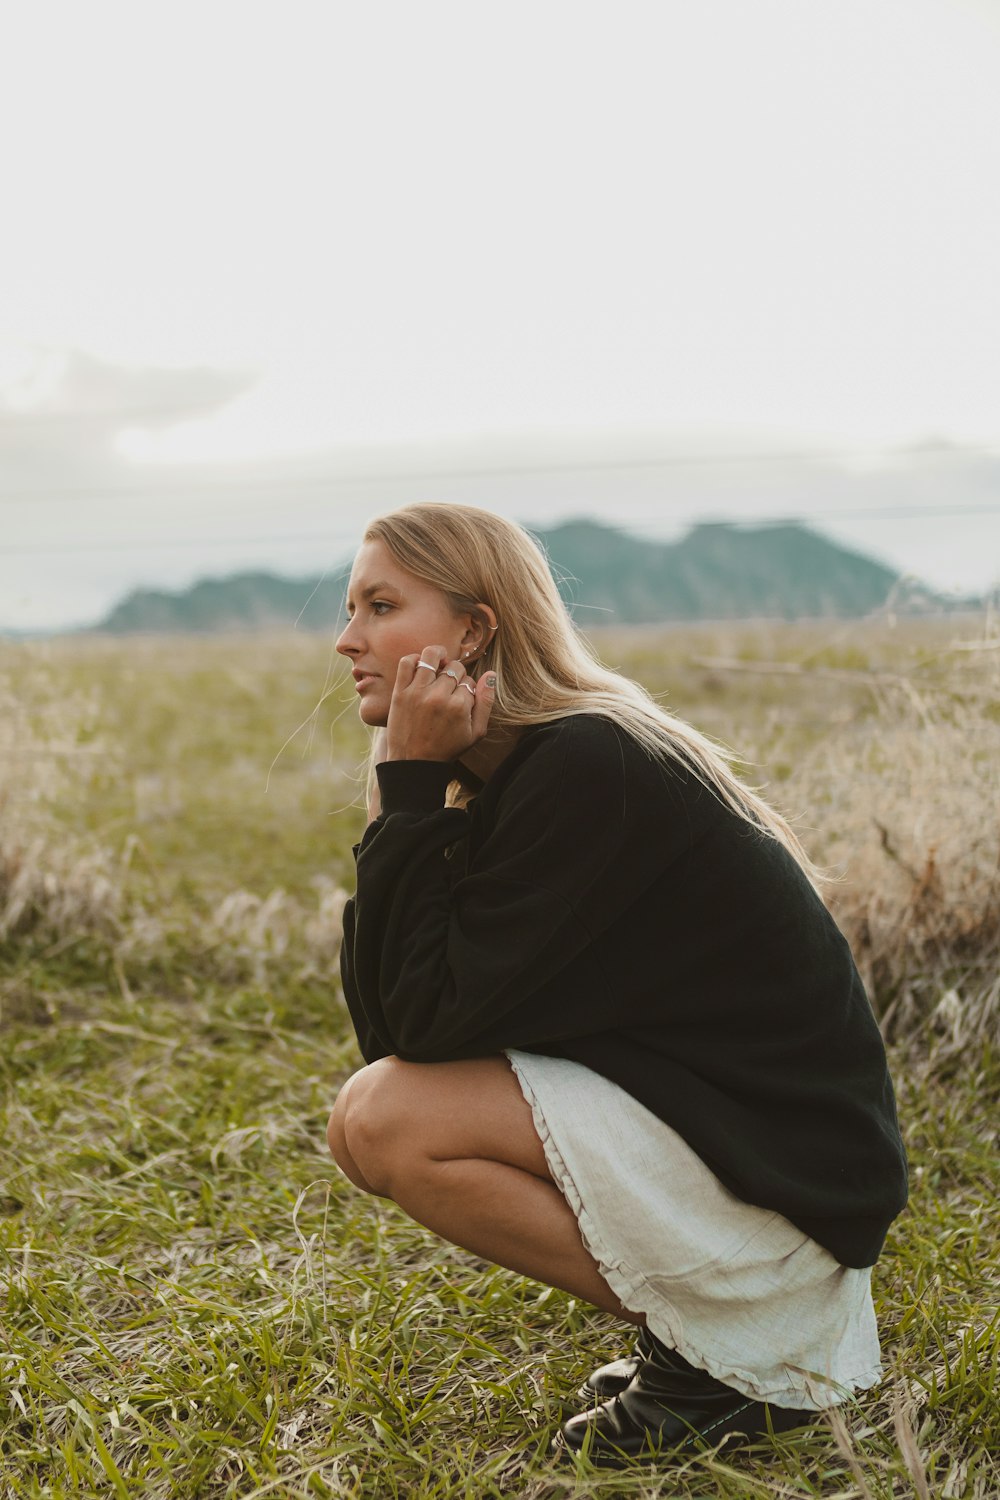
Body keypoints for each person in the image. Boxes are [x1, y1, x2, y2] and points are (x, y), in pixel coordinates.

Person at [326, 501, 908, 1468]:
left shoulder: (593, 762)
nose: (347, 640)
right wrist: (406, 794)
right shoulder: (529, 772)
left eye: (380, 606)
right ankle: (710, 1344)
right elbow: (394, 1024)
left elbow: (416, 1036)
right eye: (351, 611)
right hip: (746, 1164)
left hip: (790, 1201)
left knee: (388, 1121)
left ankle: (726, 1362)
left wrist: (416, 786)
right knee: (366, 1119)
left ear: (474, 630)